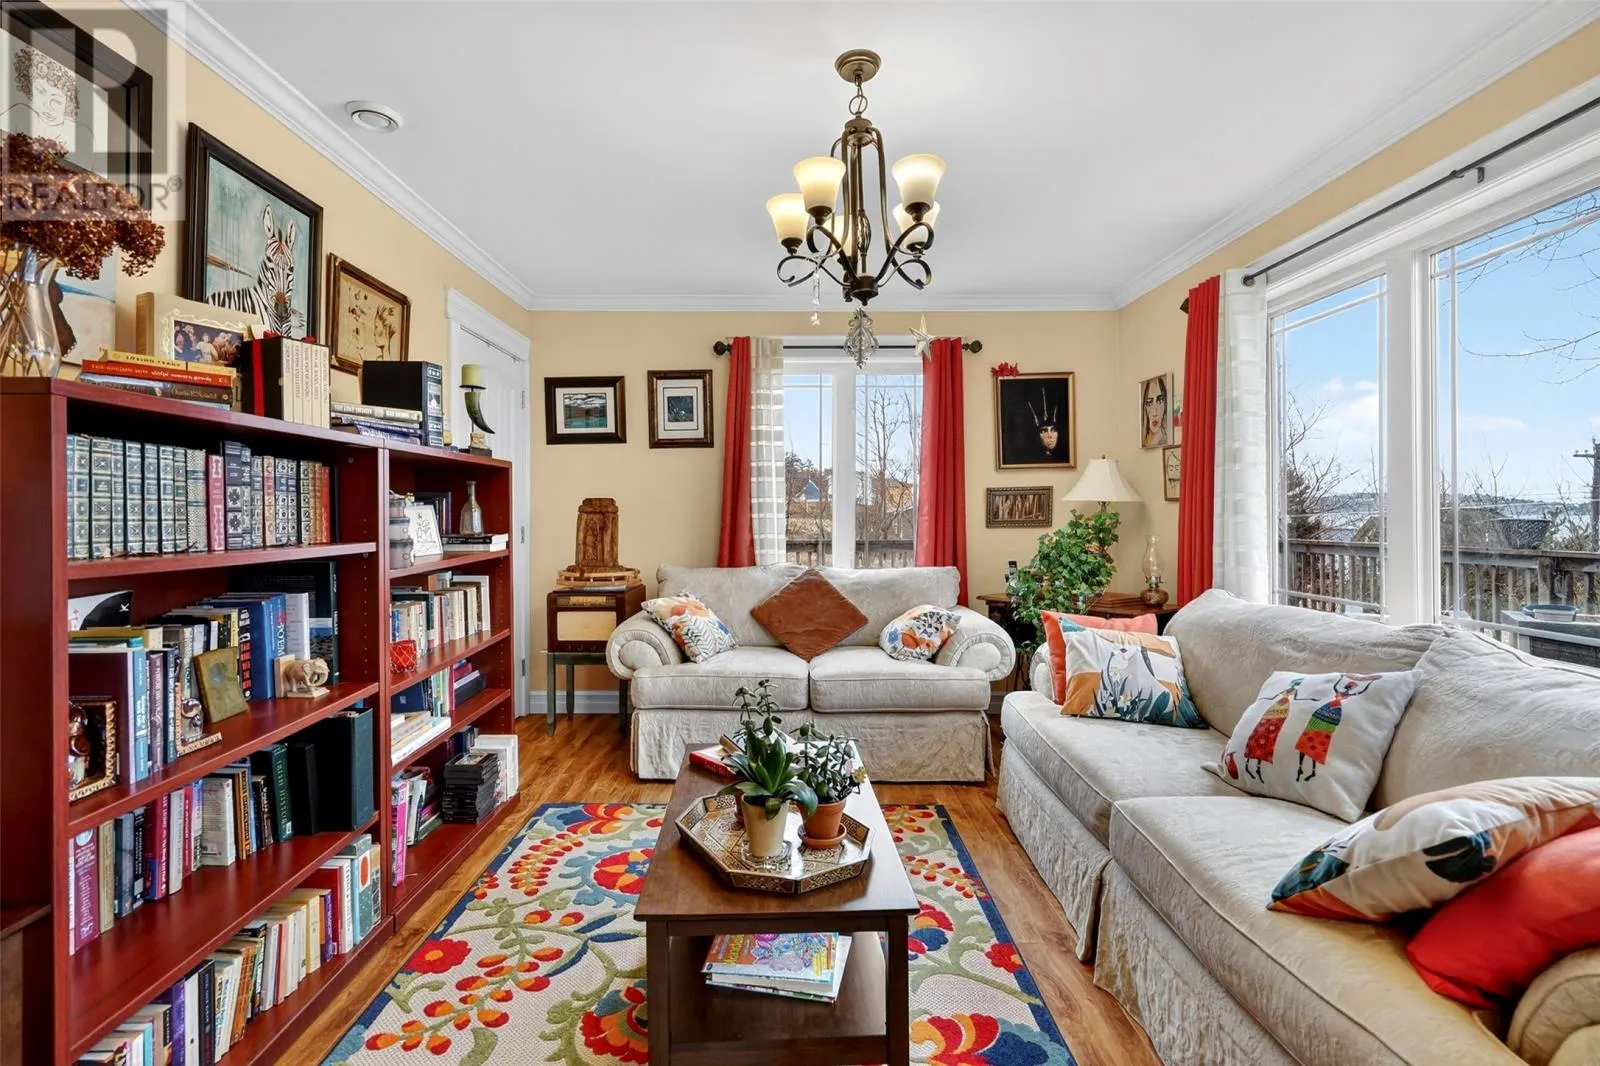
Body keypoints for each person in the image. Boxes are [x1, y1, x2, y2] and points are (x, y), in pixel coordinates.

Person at [1142, 376, 1170, 449]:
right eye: (1149, 403)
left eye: (1160, 401)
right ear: (1145, 407)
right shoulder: (1146, 441)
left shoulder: (1164, 438)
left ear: (1165, 405)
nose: (1154, 413)